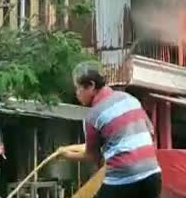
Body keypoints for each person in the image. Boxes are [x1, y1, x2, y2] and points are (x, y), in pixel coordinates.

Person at [59, 61, 162, 198]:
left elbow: (92, 155)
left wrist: (65, 155)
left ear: (91, 85)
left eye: (78, 88)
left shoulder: (93, 116)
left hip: (124, 181)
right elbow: (149, 132)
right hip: (153, 176)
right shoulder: (130, 99)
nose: (77, 94)